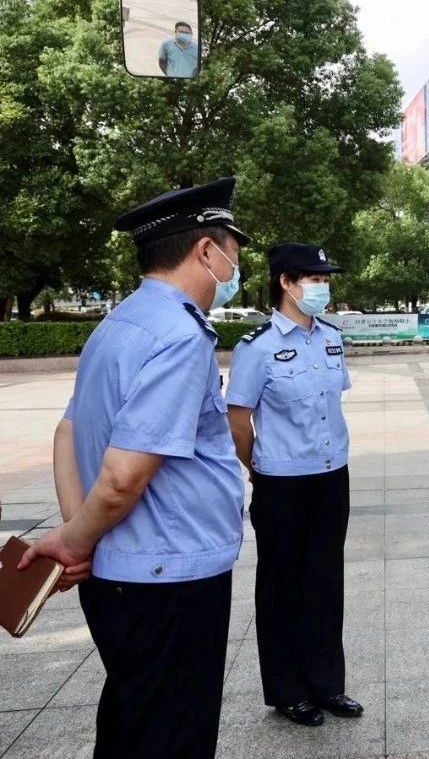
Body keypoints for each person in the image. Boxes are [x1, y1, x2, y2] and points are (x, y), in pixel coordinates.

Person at [19, 178, 249, 759]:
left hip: (120, 572)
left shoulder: (116, 325)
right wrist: (74, 539)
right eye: (233, 255)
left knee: (134, 718)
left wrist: (80, 536)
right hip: (168, 579)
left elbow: (67, 431)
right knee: (170, 732)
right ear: (206, 251)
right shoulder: (178, 335)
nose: (233, 270)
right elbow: (123, 476)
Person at [225, 243, 362, 727]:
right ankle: (287, 690)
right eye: (313, 278)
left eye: (326, 279)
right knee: (282, 586)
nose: (322, 286)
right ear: (286, 282)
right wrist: (256, 469)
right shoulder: (256, 346)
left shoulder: (330, 338)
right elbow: (238, 419)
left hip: (331, 477)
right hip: (281, 481)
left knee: (326, 582)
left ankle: (327, 685)